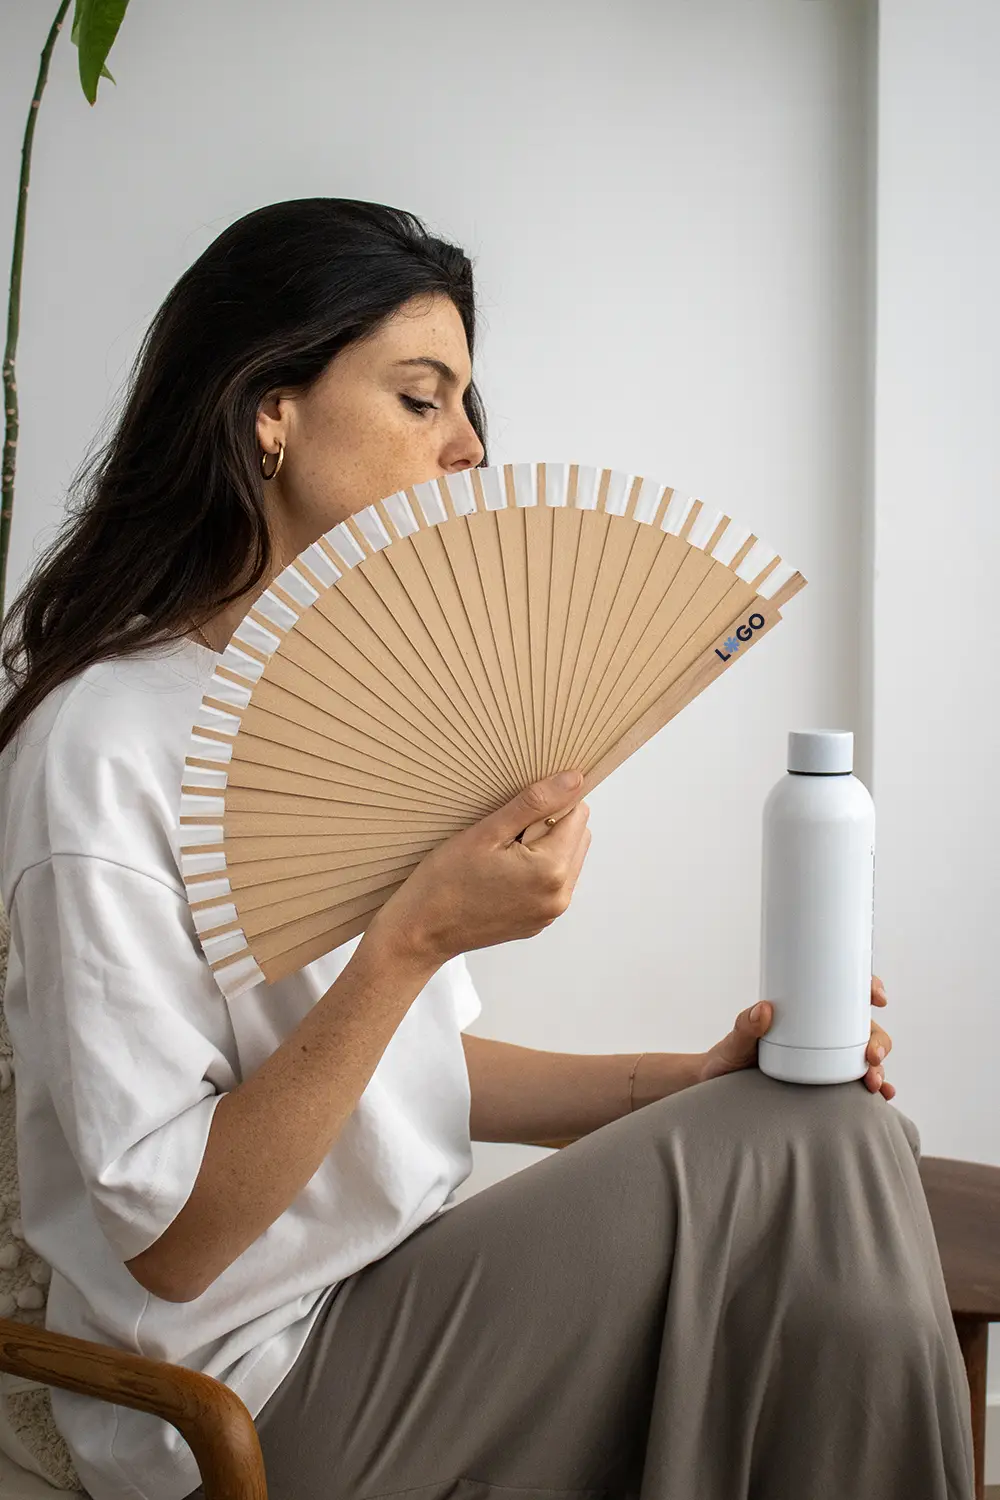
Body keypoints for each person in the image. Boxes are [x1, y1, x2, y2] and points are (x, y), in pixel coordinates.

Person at [0, 198, 973, 1500]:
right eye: (421, 397)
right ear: (269, 416)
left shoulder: (344, 695)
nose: (468, 446)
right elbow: (177, 1245)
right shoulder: (103, 746)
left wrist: (687, 1076)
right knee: (828, 1161)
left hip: (400, 1294)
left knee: (821, 1120)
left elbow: (412, 1074)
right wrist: (415, 937)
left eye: (469, 405)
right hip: (247, 1396)